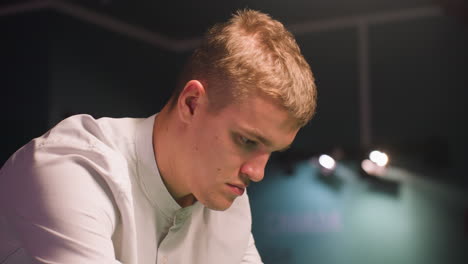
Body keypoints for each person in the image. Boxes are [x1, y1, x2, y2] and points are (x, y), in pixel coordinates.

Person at [0, 9, 317, 264]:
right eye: (247, 141)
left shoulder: (228, 205)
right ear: (192, 103)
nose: (257, 173)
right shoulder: (71, 171)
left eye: (272, 151)